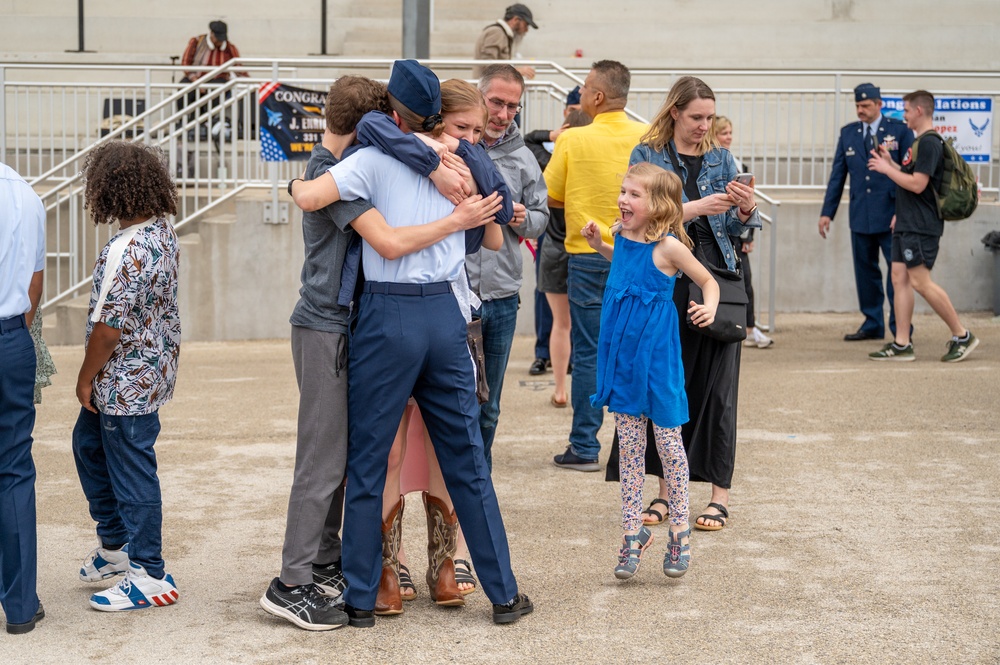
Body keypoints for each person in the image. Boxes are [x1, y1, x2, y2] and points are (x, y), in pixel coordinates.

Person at [289, 59, 532, 627]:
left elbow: (309, 198)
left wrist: (298, 181)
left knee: (370, 461)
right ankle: (503, 594)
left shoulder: (371, 157)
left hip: (386, 315)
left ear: (389, 111)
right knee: (467, 460)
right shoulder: (466, 166)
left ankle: (362, 596)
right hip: (446, 318)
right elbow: (494, 239)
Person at [613, 76, 761, 532]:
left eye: (709, 117)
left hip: (717, 276)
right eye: (696, 116)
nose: (704, 126)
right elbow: (640, 218)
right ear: (674, 111)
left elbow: (738, 235)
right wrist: (695, 209)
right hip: (666, 279)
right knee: (666, 385)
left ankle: (719, 495)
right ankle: (665, 491)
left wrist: (743, 211)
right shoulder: (648, 155)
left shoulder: (722, 158)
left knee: (719, 389)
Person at [584, 163, 718, 579]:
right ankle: (631, 535)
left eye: (634, 194)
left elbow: (707, 281)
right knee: (628, 448)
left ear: (658, 204)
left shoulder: (670, 247)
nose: (623, 200)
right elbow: (623, 263)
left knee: (669, 444)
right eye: (623, 191)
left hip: (656, 356)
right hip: (621, 353)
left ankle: (679, 532)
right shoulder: (621, 234)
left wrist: (709, 306)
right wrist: (599, 245)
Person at [71, 141, 182, 611]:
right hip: (150, 369)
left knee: (133, 471)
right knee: (88, 444)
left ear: (108, 191)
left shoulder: (127, 248)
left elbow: (109, 328)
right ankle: (116, 548)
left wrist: (83, 378)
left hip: (125, 381)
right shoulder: (161, 232)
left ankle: (150, 574)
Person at [543, 60, 648, 471]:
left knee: (589, 352)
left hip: (588, 253)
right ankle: (635, 451)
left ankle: (585, 446)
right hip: (638, 252)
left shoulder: (573, 140)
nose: (582, 94)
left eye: (586, 88)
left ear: (598, 97)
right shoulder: (645, 136)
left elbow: (551, 196)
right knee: (635, 350)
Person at [866, 90, 979, 363]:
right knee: (899, 278)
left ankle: (962, 335)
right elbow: (912, 180)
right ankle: (902, 343)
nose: (902, 115)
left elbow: (918, 184)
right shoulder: (918, 143)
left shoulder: (929, 143)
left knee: (920, 281)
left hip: (921, 226)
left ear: (918, 111)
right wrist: (892, 163)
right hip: (906, 223)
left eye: (905, 110)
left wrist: (885, 169)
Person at [474, 64, 548, 467]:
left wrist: (523, 219)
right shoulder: (451, 147)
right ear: (479, 96)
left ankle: (477, 481)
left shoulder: (522, 157)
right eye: (496, 102)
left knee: (490, 405)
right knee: (452, 402)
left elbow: (542, 218)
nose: (503, 115)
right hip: (456, 295)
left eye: (512, 107)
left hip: (502, 297)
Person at [819, 83, 913, 342]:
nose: (860, 110)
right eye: (857, 106)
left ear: (879, 104)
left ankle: (901, 328)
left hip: (892, 216)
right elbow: (838, 175)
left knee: (897, 275)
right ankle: (873, 323)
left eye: (866, 105)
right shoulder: (848, 133)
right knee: (865, 273)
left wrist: (903, 212)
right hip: (861, 215)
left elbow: (909, 173)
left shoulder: (899, 131)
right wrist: (827, 212)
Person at [0, 161, 46, 635]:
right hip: (11, 338)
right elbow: (35, 283)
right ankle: (19, 607)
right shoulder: (25, 193)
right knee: (13, 470)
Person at [530, 107, 591, 406]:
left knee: (561, 323)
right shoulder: (594, 165)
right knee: (591, 326)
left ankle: (560, 390)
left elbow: (528, 141)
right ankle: (589, 388)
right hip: (589, 246)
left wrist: (552, 136)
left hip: (555, 245)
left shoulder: (552, 160)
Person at [524, 85, 582, 378]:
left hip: (584, 234)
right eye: (573, 111)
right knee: (545, 294)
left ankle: (569, 355)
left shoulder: (587, 148)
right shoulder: (551, 150)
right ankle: (543, 353)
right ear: (564, 112)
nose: (577, 116)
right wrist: (553, 135)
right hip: (552, 232)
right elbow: (527, 139)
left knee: (576, 298)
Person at [714, 115, 772, 349]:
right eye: (723, 133)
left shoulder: (739, 164)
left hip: (737, 230)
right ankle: (737, 325)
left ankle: (749, 327)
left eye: (730, 132)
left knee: (745, 280)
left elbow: (748, 201)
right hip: (720, 229)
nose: (728, 137)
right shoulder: (710, 163)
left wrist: (749, 236)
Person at [178, 20, 248, 138]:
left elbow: (239, 68)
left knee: (218, 89)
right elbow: (185, 63)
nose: (220, 42)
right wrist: (197, 82)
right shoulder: (196, 42)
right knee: (183, 91)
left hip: (217, 80)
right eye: (218, 38)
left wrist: (250, 82)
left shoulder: (230, 48)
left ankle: (205, 122)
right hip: (195, 78)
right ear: (211, 34)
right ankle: (184, 123)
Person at [473, 4, 539, 80]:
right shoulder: (496, 32)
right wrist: (517, 71)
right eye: (526, 24)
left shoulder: (502, 33)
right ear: (516, 20)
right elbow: (487, 65)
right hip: (487, 88)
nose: (526, 30)